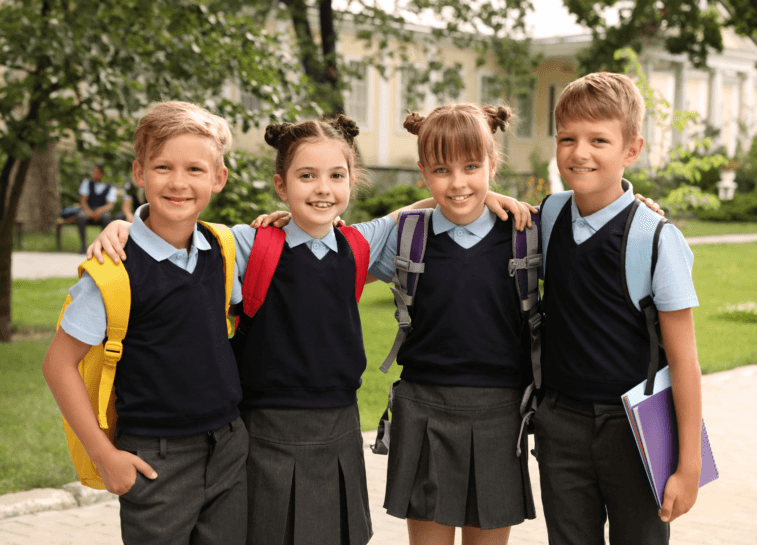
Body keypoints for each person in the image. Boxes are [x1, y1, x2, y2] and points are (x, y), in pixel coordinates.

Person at [88, 114, 532, 545]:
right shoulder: (246, 244)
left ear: (351, 182)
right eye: (306, 176)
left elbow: (430, 204)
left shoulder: (359, 242)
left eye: (336, 176)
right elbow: (179, 231)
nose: (322, 189)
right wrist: (126, 226)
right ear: (281, 185)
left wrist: (491, 196)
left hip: (339, 428)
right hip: (263, 431)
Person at [42, 101, 248, 545]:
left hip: (230, 446)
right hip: (156, 458)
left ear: (219, 178)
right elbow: (57, 366)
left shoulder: (225, 246)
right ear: (139, 173)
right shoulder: (113, 269)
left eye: (195, 169)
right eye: (162, 167)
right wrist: (104, 455)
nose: (178, 182)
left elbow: (305, 232)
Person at [534, 71, 702, 544]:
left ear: (631, 150)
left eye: (598, 140)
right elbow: (470, 206)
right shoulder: (548, 216)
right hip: (560, 425)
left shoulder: (657, 239)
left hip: (637, 431)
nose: (579, 152)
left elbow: (685, 361)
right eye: (567, 138)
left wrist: (688, 466)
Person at [364, 104, 539, 545]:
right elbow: (331, 244)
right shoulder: (407, 236)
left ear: (493, 165)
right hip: (423, 412)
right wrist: (284, 223)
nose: (458, 183)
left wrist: (640, 202)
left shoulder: (527, 233)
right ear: (423, 173)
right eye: (442, 170)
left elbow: (592, 225)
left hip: (500, 415)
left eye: (472, 167)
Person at [75, 164, 124, 253]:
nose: (92, 173)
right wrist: (88, 211)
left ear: (102, 174)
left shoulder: (110, 187)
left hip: (102, 211)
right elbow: (83, 201)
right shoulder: (87, 183)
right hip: (88, 209)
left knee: (106, 217)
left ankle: (104, 246)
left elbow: (109, 206)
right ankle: (83, 246)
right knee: (81, 216)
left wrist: (99, 211)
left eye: (95, 172)